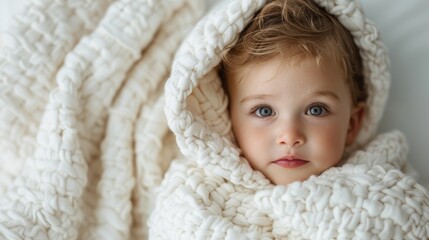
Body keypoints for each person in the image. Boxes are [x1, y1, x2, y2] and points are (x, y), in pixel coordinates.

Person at [149, 0, 429, 239]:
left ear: (352, 124)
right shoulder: (194, 196)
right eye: (264, 111)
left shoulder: (382, 193)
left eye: (316, 110)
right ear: (227, 118)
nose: (290, 135)